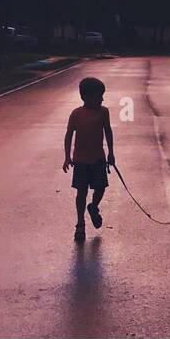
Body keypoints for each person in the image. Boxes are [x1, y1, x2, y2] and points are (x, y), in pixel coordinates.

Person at [62, 76, 115, 242]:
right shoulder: (76, 114)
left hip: (98, 158)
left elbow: (108, 131)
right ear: (85, 97)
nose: (101, 99)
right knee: (81, 192)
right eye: (98, 96)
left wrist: (111, 152)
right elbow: (69, 134)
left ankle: (93, 207)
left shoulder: (103, 112)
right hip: (81, 161)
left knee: (100, 188)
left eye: (102, 96)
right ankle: (80, 224)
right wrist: (67, 157)